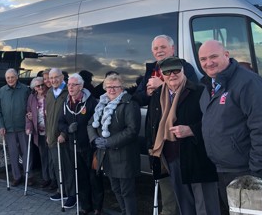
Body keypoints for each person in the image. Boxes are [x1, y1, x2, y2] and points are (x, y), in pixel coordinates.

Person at [198, 40, 262, 215]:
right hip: (224, 170)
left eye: (213, 56)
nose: (208, 62)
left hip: (247, 171)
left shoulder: (248, 83)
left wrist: (257, 175)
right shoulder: (208, 86)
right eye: (203, 59)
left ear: (226, 55)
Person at [146, 57, 220, 215]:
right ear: (162, 74)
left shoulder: (200, 91)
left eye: (176, 70)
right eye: (167, 72)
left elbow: (215, 122)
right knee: (184, 206)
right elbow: (151, 125)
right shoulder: (157, 94)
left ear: (183, 71)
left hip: (198, 158)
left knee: (206, 207)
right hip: (171, 158)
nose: (172, 75)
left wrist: (192, 130)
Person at [134, 34, 197, 215]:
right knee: (167, 192)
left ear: (173, 49)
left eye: (163, 47)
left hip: (179, 141)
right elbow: (137, 98)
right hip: (159, 142)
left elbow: (194, 91)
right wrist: (147, 91)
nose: (159, 50)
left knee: (185, 194)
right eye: (156, 48)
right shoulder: (150, 70)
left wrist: (163, 83)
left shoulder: (185, 68)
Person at [88, 74, 141, 215]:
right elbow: (90, 124)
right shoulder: (102, 103)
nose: (111, 89)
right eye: (109, 86)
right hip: (107, 156)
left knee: (126, 191)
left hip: (124, 156)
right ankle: (124, 212)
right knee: (116, 189)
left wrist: (108, 142)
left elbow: (132, 130)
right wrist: (94, 139)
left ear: (121, 87)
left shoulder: (129, 104)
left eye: (115, 87)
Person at [58, 73, 104, 214]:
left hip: (89, 147)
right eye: (69, 85)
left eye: (74, 85)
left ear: (81, 86)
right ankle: (85, 206)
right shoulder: (66, 103)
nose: (70, 88)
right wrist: (67, 129)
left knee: (94, 178)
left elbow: (98, 124)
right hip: (73, 147)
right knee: (81, 178)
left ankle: (97, 207)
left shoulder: (91, 102)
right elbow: (61, 122)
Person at [0, 68, 31, 186]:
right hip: (8, 129)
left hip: (23, 127)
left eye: (12, 77)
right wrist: (0, 126)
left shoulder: (25, 89)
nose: (10, 79)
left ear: (17, 77)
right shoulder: (1, 91)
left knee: (26, 153)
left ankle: (27, 176)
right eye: (8, 78)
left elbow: (30, 107)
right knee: (13, 153)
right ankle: (16, 176)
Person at [46, 68, 72, 206]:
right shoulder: (49, 93)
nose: (53, 80)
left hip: (63, 137)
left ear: (62, 77)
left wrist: (64, 133)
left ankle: (71, 194)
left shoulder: (68, 92)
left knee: (67, 167)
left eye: (56, 77)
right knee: (57, 166)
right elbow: (48, 115)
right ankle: (62, 190)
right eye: (51, 78)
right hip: (51, 137)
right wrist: (47, 134)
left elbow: (71, 117)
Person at [26, 77, 52, 188]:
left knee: (52, 158)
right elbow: (28, 113)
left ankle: (54, 179)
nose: (41, 87)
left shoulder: (49, 96)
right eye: (38, 86)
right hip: (39, 133)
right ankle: (46, 178)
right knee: (44, 157)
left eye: (42, 85)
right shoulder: (32, 98)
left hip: (50, 132)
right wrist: (28, 126)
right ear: (34, 88)